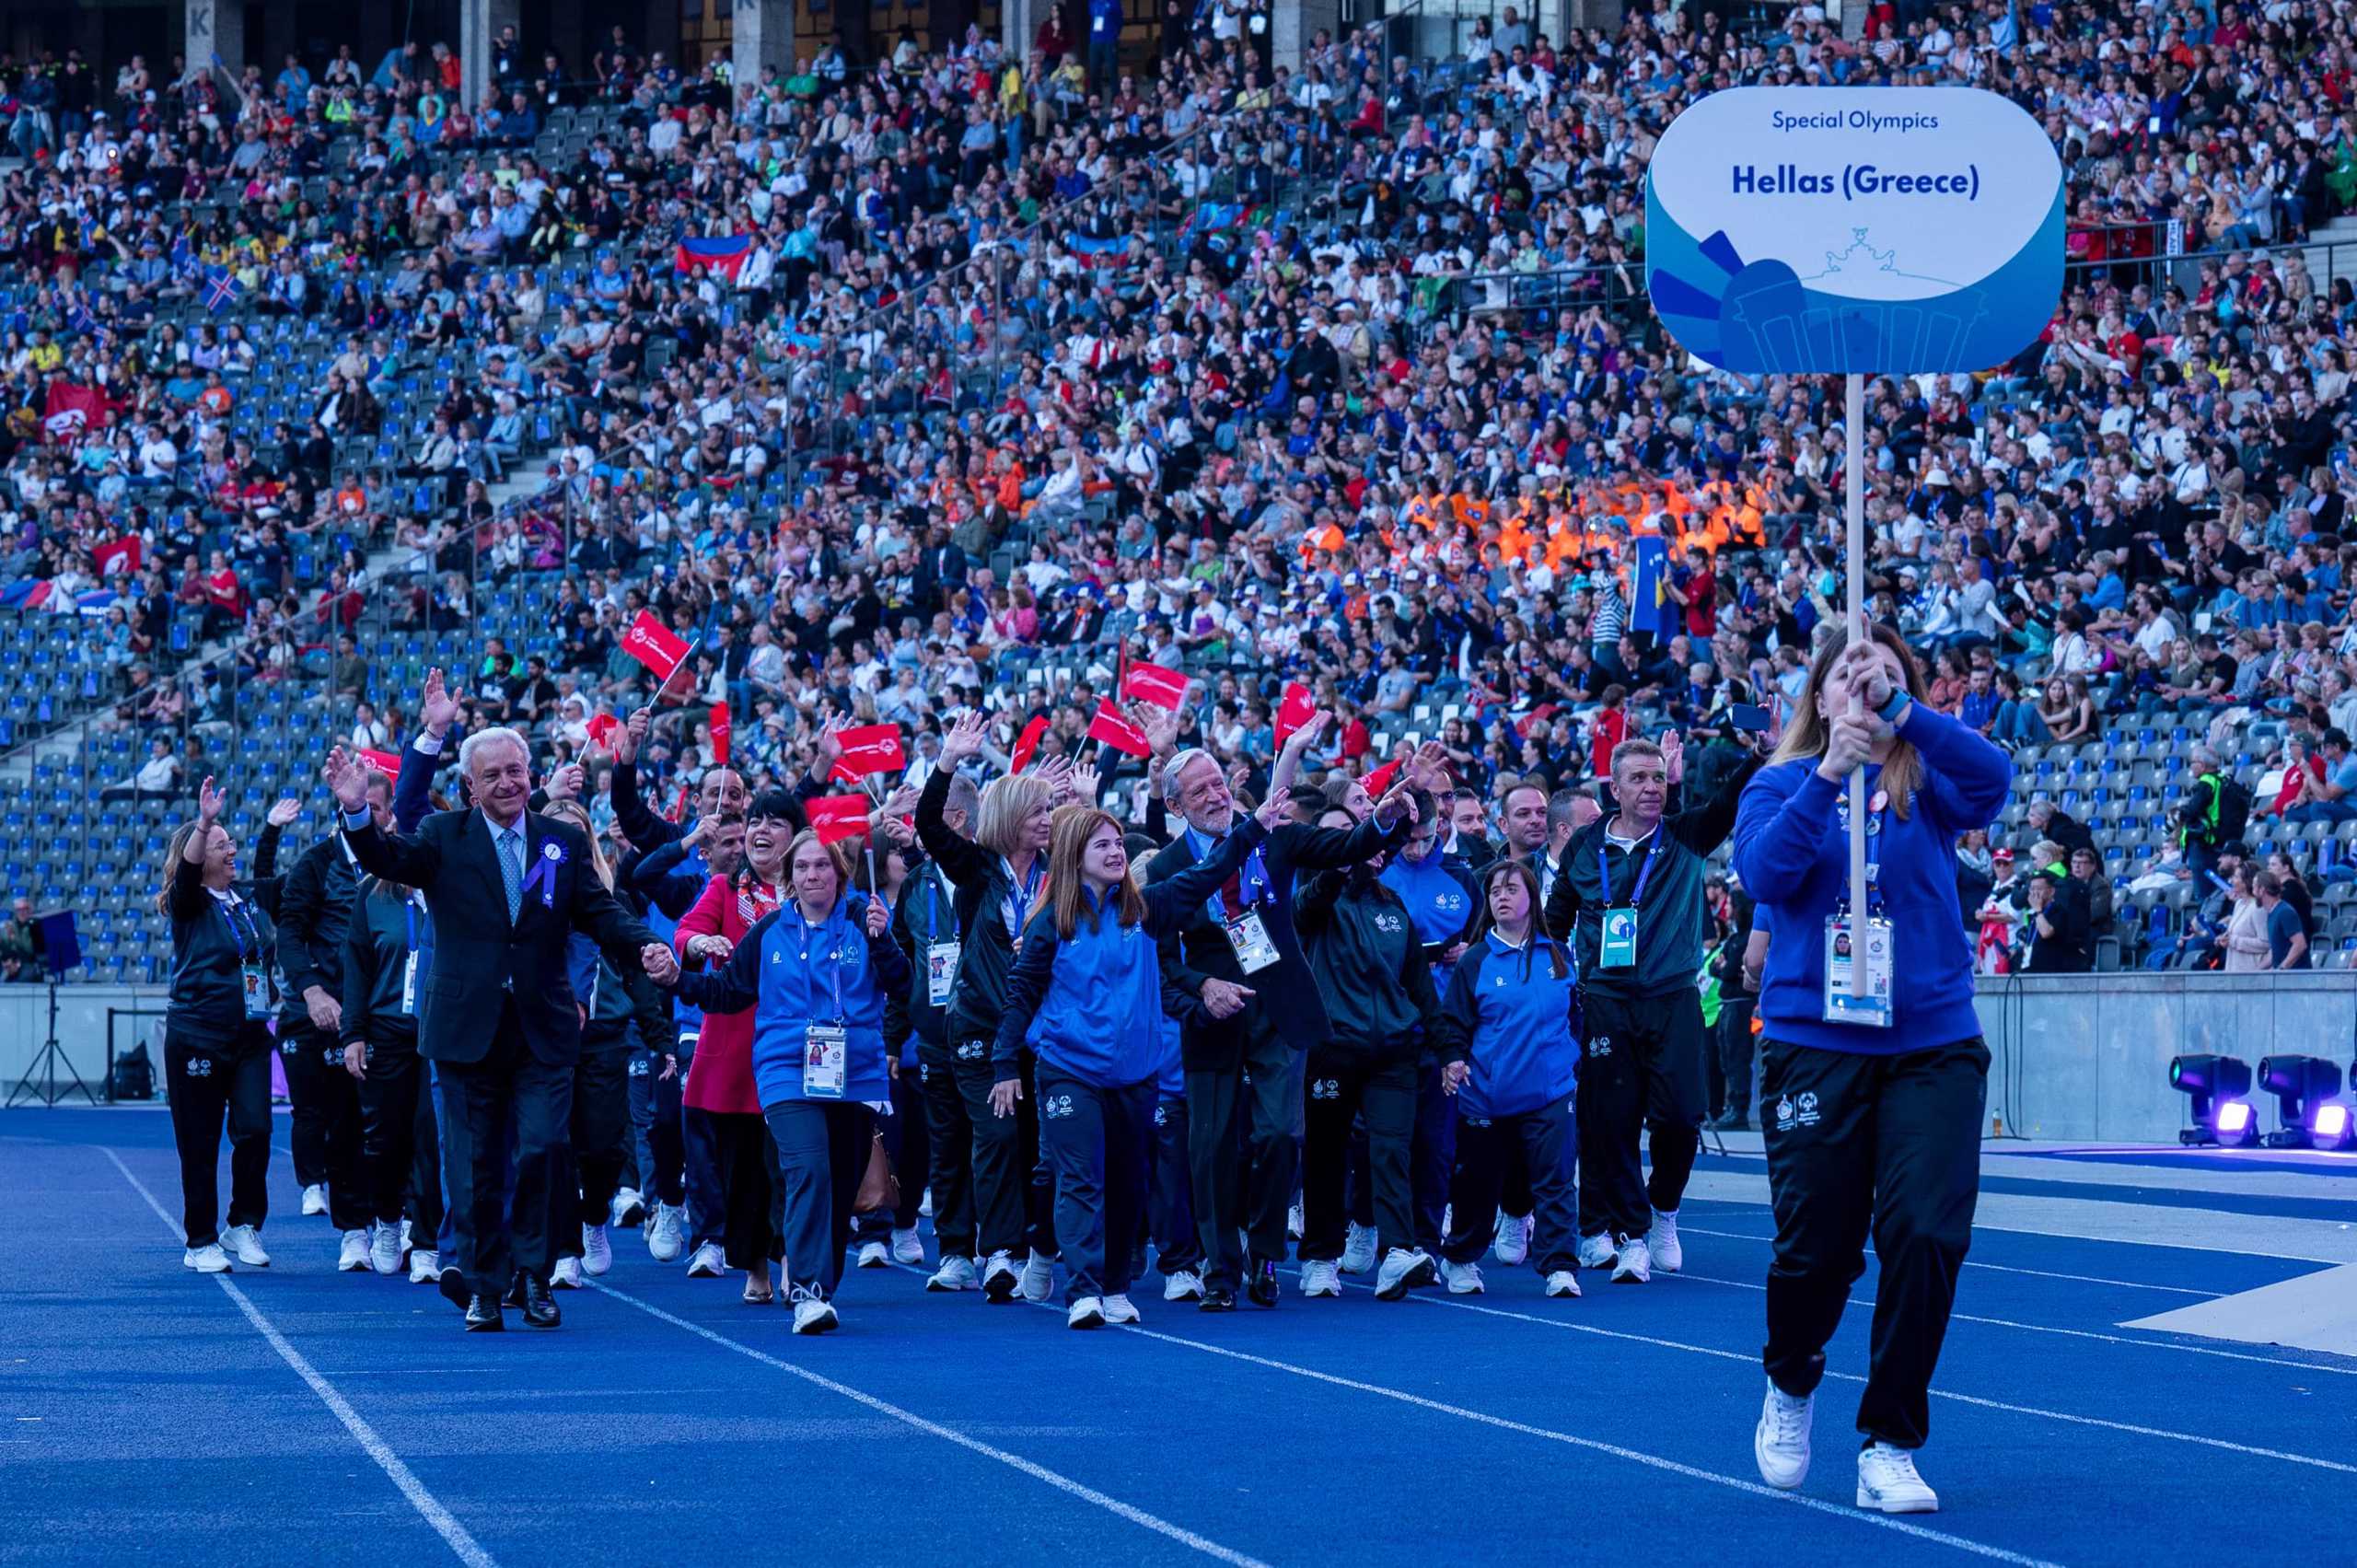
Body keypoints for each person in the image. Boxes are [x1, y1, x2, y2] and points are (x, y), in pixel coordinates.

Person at [1732, 623, 2012, 1516]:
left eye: (1888, 679)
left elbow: (1993, 783)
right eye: (1852, 681)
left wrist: (1901, 713)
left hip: (1931, 1041)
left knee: (1926, 1236)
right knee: (1816, 1250)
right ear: (1817, 699)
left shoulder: (1924, 782)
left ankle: (1889, 1437)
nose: (1871, 694)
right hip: (1818, 1045)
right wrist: (1824, 774)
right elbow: (1764, 873)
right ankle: (1790, 1375)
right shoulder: (1778, 783)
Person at [325, 734, 664, 1333]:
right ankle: (484, 1285)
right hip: (464, 1028)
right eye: (493, 775)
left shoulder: (562, 840)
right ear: (471, 786)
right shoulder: (442, 837)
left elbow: (599, 911)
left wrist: (648, 945)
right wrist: (356, 809)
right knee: (474, 1162)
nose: (508, 782)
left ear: (531, 774)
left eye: (516, 770)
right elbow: (385, 859)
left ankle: (533, 1276)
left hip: (541, 1028)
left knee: (540, 1150)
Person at [1144, 729, 1426, 1309]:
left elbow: (1343, 851)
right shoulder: (1166, 865)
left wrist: (1386, 820)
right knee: (1212, 1147)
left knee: (1281, 1134)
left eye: (1219, 783)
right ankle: (1220, 1273)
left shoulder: (1271, 832)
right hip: (1213, 1015)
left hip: (1279, 1006)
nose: (1216, 796)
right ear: (1175, 806)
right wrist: (1202, 987)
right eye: (1199, 792)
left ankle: (1264, 1251)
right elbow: (1162, 959)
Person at [993, 798, 1278, 1327]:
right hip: (1069, 1071)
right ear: (1075, 856)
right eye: (1102, 844)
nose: (1115, 852)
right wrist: (1005, 1063)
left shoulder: (1147, 910)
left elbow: (1211, 870)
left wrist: (1254, 825)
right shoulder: (1051, 924)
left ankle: (1115, 1285)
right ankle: (1081, 1290)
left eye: (1118, 843)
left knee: (1127, 1183)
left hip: (1136, 1074)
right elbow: (1021, 993)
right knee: (1081, 1178)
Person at [656, 830, 911, 1334]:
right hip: (784, 1070)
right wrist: (674, 980)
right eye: (801, 868)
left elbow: (904, 986)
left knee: (838, 1184)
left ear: (838, 873)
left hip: (852, 1074)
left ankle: (822, 1282)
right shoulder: (771, 930)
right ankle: (809, 1290)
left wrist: (884, 943)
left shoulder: (866, 920)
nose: (811, 875)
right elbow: (726, 993)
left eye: (820, 866)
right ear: (789, 878)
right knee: (807, 1167)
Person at [1544, 728, 1763, 1283]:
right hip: (1607, 1001)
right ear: (1615, 789)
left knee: (1682, 1116)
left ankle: (1664, 1208)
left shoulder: (1685, 835)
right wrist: (1560, 975)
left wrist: (1758, 753)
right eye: (1637, 779)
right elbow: (1558, 914)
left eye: (1656, 777)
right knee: (1611, 1122)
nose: (1651, 788)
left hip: (1673, 997)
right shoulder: (1585, 845)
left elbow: (1729, 801)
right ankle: (1632, 1234)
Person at [915, 711, 1068, 1303]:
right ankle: (1000, 1251)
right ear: (1009, 821)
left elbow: (1102, 844)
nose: (1047, 821)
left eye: (1048, 812)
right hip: (979, 1023)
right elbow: (929, 824)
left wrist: (1081, 798)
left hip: (1044, 1027)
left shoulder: (1061, 873)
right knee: (999, 1135)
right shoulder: (978, 871)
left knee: (1039, 1142)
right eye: (1037, 813)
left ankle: (1039, 1246)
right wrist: (948, 760)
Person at [1293, 806, 1442, 1302]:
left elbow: (1420, 986)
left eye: (1367, 839)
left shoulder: (1393, 907)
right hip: (1333, 1048)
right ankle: (1319, 1256)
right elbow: (1310, 906)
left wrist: (1449, 1049)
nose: (1366, 848)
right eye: (1345, 836)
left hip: (1394, 1050)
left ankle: (1398, 1251)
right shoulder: (1314, 899)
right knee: (1326, 1155)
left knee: (1391, 1149)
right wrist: (1341, 860)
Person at [1433, 857, 1584, 1298]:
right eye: (1495, 890)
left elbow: (1575, 1015)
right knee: (1477, 1184)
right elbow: (1455, 1021)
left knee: (1556, 1180)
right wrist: (1454, 1060)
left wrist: (1569, 1061)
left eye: (1511, 889)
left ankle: (1559, 1266)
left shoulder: (1557, 953)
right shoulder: (1476, 959)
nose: (1502, 896)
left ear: (1531, 899)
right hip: (1488, 1096)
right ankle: (1461, 1258)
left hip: (1552, 1091)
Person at [543, 797, 676, 1290]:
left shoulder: (609, 901)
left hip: (602, 1037)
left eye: (574, 833)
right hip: (545, 1039)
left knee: (600, 1146)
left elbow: (638, 976)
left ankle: (594, 1213)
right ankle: (563, 1249)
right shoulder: (529, 898)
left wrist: (659, 1039)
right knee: (552, 1144)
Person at [158, 777, 284, 1273]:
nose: (231, 850)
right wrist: (204, 820)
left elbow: (276, 878)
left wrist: (272, 830)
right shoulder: (188, 903)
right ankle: (200, 1239)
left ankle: (243, 1224)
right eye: (220, 844)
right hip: (198, 1035)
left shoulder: (247, 900)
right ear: (199, 854)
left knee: (256, 1129)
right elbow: (188, 877)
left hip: (251, 1035)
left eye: (231, 842)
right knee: (201, 1139)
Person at [669, 799, 789, 1297]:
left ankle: (792, 1263)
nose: (760, 830)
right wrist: (700, 947)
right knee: (742, 1169)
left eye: (774, 822)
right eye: (754, 821)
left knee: (790, 1163)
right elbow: (686, 932)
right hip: (737, 1053)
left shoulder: (813, 889)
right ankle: (755, 1265)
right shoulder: (723, 888)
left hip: (796, 1050)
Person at [270, 764, 386, 1253]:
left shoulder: (398, 862)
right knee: (341, 1123)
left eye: (377, 807)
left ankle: (398, 1224)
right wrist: (313, 991)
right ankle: (354, 1230)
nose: (370, 814)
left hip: (392, 1014)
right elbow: (289, 934)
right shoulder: (315, 864)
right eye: (361, 806)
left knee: (398, 1127)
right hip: (334, 1013)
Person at [884, 777, 982, 1291]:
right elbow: (903, 963)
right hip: (932, 1036)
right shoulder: (917, 886)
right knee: (945, 1144)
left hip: (988, 1033)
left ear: (958, 820)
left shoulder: (987, 875)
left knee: (992, 1142)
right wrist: (892, 1039)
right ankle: (956, 1250)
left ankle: (1005, 1245)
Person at [338, 867, 444, 1283]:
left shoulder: (451, 884)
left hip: (439, 1030)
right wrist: (353, 1033)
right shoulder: (373, 892)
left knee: (430, 1135)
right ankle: (386, 1218)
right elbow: (357, 966)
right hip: (386, 1030)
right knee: (385, 1139)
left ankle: (425, 1240)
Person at [2258, 871, 2311, 970]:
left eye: (2253, 887)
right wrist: (2256, 971)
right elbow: (2276, 952)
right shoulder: (2272, 913)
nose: (2252, 892)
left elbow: (2300, 944)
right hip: (2283, 979)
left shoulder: (2285, 912)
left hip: (2297, 979)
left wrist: (2282, 969)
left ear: (2261, 890)